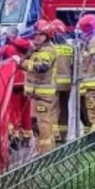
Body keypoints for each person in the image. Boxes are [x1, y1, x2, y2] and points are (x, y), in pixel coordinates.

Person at [23, 20, 60, 155]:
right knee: (35, 123)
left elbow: (42, 67)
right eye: (35, 35)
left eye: (40, 35)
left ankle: (45, 154)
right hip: (36, 95)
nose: (36, 37)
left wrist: (22, 63)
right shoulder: (38, 48)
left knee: (43, 124)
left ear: (47, 35)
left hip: (43, 95)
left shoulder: (48, 50)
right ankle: (42, 150)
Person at [0, 28, 33, 146]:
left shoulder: (5, 49)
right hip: (26, 82)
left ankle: (14, 134)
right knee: (26, 109)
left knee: (13, 109)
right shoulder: (27, 46)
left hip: (12, 82)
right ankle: (26, 134)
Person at [51, 19, 74, 142]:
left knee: (52, 110)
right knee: (64, 108)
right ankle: (63, 135)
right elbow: (74, 66)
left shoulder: (50, 49)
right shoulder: (70, 48)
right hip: (66, 85)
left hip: (53, 84)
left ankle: (55, 135)